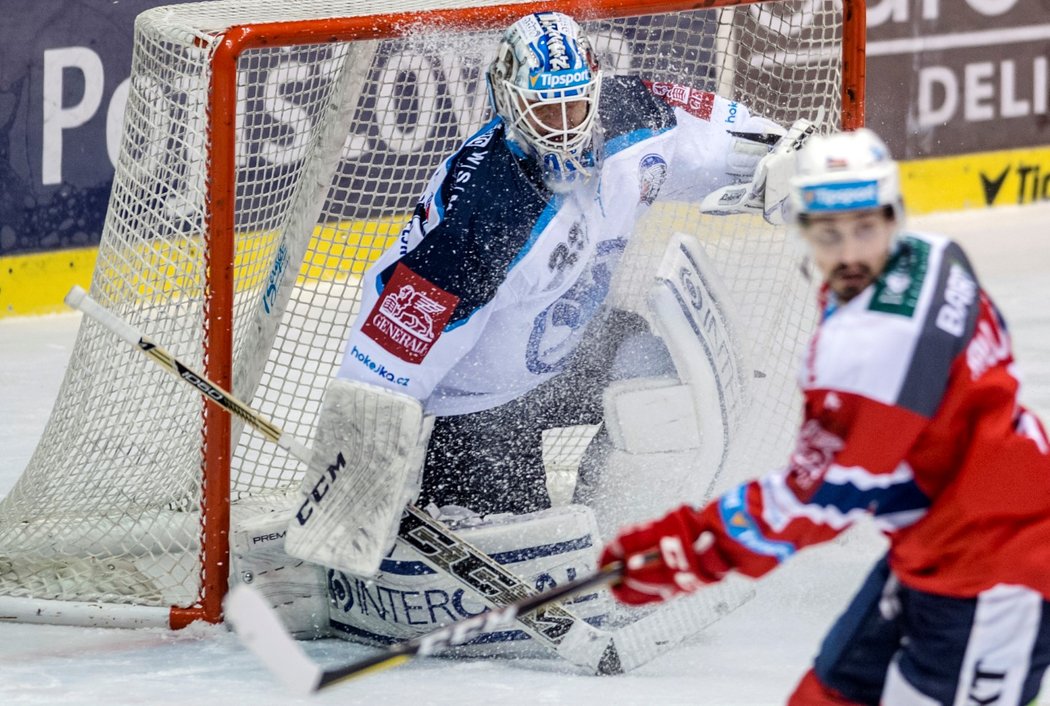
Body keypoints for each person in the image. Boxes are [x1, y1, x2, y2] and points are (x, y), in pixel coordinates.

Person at [600, 128, 1050, 705]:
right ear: (805, 228)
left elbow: (814, 502)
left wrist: (688, 550)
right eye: (829, 233)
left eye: (864, 229)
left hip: (995, 572)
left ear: (891, 216)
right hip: (942, 536)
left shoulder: (871, 350)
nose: (849, 254)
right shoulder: (937, 257)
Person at [334, 10, 805, 518]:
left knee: (667, 391)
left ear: (595, 91)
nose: (562, 131)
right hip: (476, 406)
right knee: (514, 570)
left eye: (573, 106)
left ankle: (609, 521)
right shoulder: (487, 214)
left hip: (576, 353)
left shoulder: (638, 115)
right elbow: (388, 353)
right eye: (543, 111)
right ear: (507, 102)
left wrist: (789, 162)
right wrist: (355, 489)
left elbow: (725, 137)